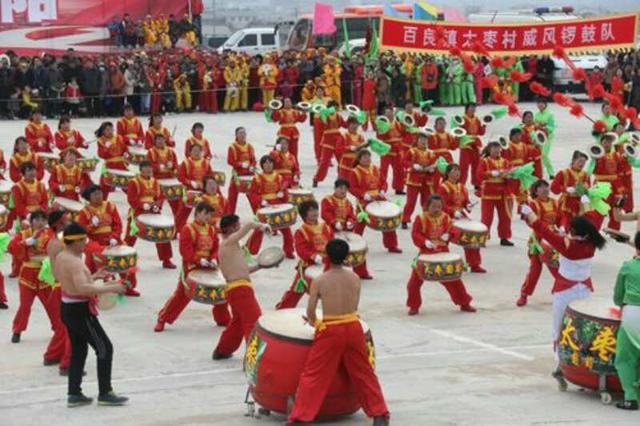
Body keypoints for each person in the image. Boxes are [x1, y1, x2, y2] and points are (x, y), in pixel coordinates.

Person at [287, 239, 389, 426]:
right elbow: (354, 305)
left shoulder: (320, 280)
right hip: (353, 325)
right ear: (347, 257)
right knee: (364, 372)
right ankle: (379, 413)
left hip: (331, 329)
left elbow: (310, 311)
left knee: (314, 374)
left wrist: (315, 324)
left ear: (327, 256)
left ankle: (302, 417)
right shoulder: (355, 278)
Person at [521, 204, 605, 385]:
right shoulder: (592, 243)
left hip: (565, 292)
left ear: (574, 231)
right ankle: (585, 366)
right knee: (585, 329)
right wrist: (583, 206)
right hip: (584, 291)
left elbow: (543, 230)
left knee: (559, 328)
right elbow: (591, 222)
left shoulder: (567, 245)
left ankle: (561, 365)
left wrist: (530, 214)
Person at [54, 222, 128, 407]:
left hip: (67, 308)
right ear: (75, 241)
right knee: (104, 348)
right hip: (80, 311)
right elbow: (81, 288)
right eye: (83, 240)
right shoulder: (75, 262)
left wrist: (94, 276)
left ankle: (74, 393)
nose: (85, 243)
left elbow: (71, 283)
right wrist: (112, 287)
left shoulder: (62, 256)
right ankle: (105, 393)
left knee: (79, 350)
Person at [154, 202, 230, 332]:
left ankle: (223, 319)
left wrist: (212, 259)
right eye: (205, 214)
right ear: (198, 212)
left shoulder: (211, 229)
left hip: (208, 265)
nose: (208, 217)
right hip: (192, 266)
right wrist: (199, 260)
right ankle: (163, 318)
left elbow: (216, 247)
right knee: (181, 295)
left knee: (219, 290)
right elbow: (185, 251)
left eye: (210, 214)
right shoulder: (187, 229)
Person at [405, 195, 476, 316]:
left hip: (443, 251)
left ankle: (464, 303)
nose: (437, 209)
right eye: (433, 206)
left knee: (454, 280)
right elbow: (415, 233)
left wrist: (449, 235)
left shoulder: (445, 217)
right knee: (413, 284)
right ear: (427, 206)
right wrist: (424, 241)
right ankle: (414, 305)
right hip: (426, 253)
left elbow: (453, 230)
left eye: (439, 206)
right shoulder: (421, 218)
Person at [212, 215, 268, 359]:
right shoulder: (227, 243)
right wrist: (260, 226)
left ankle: (223, 350)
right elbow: (249, 225)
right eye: (237, 226)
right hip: (240, 289)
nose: (239, 228)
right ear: (230, 228)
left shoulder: (232, 246)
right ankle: (254, 358)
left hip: (238, 288)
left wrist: (260, 266)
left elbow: (243, 270)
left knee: (237, 324)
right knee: (254, 322)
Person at [76, 185, 138, 297]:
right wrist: (91, 226)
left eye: (100, 193)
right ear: (88, 197)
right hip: (95, 242)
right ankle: (89, 290)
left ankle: (128, 287)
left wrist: (114, 237)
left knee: (125, 262)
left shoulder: (110, 206)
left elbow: (118, 224)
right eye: (95, 194)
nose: (99, 196)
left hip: (112, 240)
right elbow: (81, 231)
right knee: (91, 266)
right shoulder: (84, 212)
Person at [9, 210, 56, 343]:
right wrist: (28, 241)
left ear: (46, 222)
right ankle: (17, 330)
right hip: (27, 276)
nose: (40, 222)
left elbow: (59, 249)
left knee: (51, 305)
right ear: (31, 221)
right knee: (25, 306)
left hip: (45, 275)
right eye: (37, 219)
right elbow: (11, 248)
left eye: (43, 219)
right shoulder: (23, 234)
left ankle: (58, 329)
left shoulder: (51, 234)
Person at [276, 200, 334, 309]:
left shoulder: (326, 227)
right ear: (304, 214)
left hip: (326, 263)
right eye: (310, 210)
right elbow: (300, 249)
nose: (314, 212)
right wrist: (313, 256)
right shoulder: (301, 231)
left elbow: (332, 243)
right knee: (296, 291)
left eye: (315, 209)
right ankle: (283, 309)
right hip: (308, 264)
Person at [124, 160, 175, 270]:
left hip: (153, 211)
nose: (148, 170)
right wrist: (143, 205)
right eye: (145, 168)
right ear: (140, 169)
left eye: (149, 168)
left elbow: (160, 196)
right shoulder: (134, 182)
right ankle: (124, 257)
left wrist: (158, 205)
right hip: (138, 211)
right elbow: (131, 199)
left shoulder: (155, 182)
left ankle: (166, 259)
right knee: (130, 236)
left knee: (162, 234)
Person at [517, 180, 561, 307]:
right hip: (538, 240)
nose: (545, 189)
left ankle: (560, 292)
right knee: (534, 271)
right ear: (535, 191)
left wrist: (563, 227)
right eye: (541, 187)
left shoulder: (554, 202)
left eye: (546, 186)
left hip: (553, 239)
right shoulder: (533, 204)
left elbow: (561, 217)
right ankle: (524, 294)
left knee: (556, 268)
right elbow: (530, 221)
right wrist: (525, 211)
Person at [349, 150, 402, 255]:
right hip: (364, 200)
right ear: (359, 159)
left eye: (368, 156)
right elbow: (352, 187)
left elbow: (383, 182)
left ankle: (392, 245)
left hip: (379, 198)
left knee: (388, 221)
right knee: (360, 223)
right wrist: (363, 194)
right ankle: (355, 244)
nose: (367, 159)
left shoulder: (376, 169)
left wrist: (383, 189)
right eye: (364, 157)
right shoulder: (355, 172)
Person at [437, 164, 485, 273]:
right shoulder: (443, 187)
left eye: (458, 171)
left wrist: (468, 206)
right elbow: (441, 205)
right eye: (454, 171)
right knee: (443, 242)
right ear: (448, 173)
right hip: (447, 218)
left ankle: (474, 264)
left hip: (461, 217)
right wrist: (453, 212)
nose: (457, 173)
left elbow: (465, 202)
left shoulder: (462, 187)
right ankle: (442, 264)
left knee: (471, 238)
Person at [321, 178, 372, 279]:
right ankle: (328, 273)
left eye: (345, 189)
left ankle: (361, 272)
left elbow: (351, 215)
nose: (343, 191)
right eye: (340, 188)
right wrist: (334, 222)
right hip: (331, 229)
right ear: (335, 188)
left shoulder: (348, 202)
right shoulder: (327, 200)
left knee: (357, 248)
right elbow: (325, 213)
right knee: (331, 252)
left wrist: (351, 222)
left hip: (345, 229)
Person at [245, 156, 294, 258]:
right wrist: (260, 200)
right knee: (259, 229)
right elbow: (252, 193)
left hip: (277, 206)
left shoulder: (279, 177)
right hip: (265, 207)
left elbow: (284, 191)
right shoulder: (257, 178)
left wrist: (283, 194)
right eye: (265, 163)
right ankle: (249, 250)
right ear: (262, 165)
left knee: (286, 229)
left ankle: (289, 251)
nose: (268, 165)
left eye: (270, 163)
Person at [43, 210, 73, 376]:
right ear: (59, 225)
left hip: (61, 288)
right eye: (66, 221)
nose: (69, 223)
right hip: (63, 288)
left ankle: (52, 355)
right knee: (72, 329)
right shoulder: (56, 244)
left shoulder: (61, 241)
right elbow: (57, 272)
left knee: (63, 327)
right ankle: (67, 364)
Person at [613, 232, 640, 410]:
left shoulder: (628, 266)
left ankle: (630, 398)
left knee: (625, 357)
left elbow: (617, 297)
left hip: (633, 313)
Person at [477, 141, 514, 246]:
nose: (497, 151)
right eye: (494, 149)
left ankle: (504, 237)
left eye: (498, 149)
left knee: (505, 217)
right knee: (487, 217)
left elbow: (511, 175)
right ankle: (482, 237)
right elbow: (479, 175)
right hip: (489, 193)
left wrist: (510, 176)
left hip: (502, 193)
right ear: (489, 150)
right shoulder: (484, 161)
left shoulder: (506, 162)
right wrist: (490, 173)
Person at [402, 131, 438, 228]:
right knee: (411, 202)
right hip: (414, 180)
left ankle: (427, 220)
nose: (423, 141)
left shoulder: (431, 153)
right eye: (421, 139)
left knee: (426, 202)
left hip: (426, 181)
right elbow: (404, 162)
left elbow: (434, 165)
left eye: (425, 140)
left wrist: (432, 169)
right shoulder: (412, 151)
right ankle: (405, 219)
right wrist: (413, 166)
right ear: (417, 140)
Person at [592, 132, 626, 230]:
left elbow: (620, 169)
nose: (607, 144)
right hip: (601, 184)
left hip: (615, 184)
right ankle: (594, 229)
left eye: (609, 142)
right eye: (605, 142)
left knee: (616, 208)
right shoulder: (595, 154)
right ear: (601, 142)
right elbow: (590, 169)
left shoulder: (615, 154)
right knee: (600, 208)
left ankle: (614, 230)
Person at [551, 151, 591, 230]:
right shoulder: (563, 173)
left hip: (580, 205)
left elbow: (588, 188)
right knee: (565, 225)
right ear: (573, 160)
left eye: (584, 162)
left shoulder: (586, 175)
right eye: (580, 161)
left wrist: (585, 195)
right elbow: (553, 188)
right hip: (566, 204)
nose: (582, 164)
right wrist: (565, 189)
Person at [313, 101, 347, 187]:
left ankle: (341, 179)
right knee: (325, 162)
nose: (335, 109)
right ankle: (316, 178)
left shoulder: (338, 116)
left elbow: (345, 124)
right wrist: (324, 114)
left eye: (336, 108)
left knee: (342, 160)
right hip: (328, 139)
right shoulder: (324, 115)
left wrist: (353, 118)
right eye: (334, 107)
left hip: (338, 139)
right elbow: (321, 122)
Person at [148, 132, 180, 217]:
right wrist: (158, 167)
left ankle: (177, 219)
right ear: (155, 142)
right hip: (157, 180)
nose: (160, 142)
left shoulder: (170, 151)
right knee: (157, 202)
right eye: (158, 140)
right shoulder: (151, 152)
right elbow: (148, 166)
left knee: (175, 202)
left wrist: (173, 166)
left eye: (162, 140)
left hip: (169, 179)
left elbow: (176, 165)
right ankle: (154, 218)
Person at [375, 106, 406, 195]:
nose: (388, 114)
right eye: (386, 113)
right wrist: (379, 129)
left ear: (393, 113)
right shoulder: (382, 123)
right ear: (384, 114)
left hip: (397, 150)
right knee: (383, 170)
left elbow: (404, 134)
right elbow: (379, 136)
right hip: (386, 150)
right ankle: (381, 188)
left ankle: (399, 188)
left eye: (390, 112)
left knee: (399, 170)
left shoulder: (399, 124)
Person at [95, 121, 129, 199]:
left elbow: (125, 148)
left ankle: (136, 199)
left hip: (120, 164)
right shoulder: (101, 141)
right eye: (107, 130)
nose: (110, 131)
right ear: (103, 131)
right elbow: (101, 155)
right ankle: (101, 201)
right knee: (104, 184)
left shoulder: (119, 138)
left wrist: (126, 154)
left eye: (111, 129)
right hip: (109, 165)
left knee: (126, 184)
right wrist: (106, 148)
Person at [226, 127, 256, 214]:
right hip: (238, 175)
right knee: (232, 197)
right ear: (236, 135)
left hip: (249, 175)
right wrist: (241, 164)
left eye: (244, 133)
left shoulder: (250, 147)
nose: (242, 135)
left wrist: (252, 166)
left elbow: (253, 159)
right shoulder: (232, 147)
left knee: (252, 196)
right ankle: (230, 216)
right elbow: (230, 161)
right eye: (240, 133)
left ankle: (257, 214)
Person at [459, 104, 485, 188]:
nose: (473, 109)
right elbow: (460, 131)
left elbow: (481, 132)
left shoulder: (477, 119)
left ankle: (477, 183)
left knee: (476, 165)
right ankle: (461, 183)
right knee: (464, 166)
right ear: (466, 109)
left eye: (474, 108)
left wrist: (484, 125)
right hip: (466, 144)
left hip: (475, 144)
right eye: (471, 108)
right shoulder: (462, 119)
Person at [337, 116, 366, 180]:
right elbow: (338, 149)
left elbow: (364, 151)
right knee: (343, 184)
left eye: (356, 124)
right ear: (348, 125)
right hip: (345, 165)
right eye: (352, 124)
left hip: (357, 164)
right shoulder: (344, 136)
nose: (354, 126)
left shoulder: (361, 137)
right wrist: (350, 148)